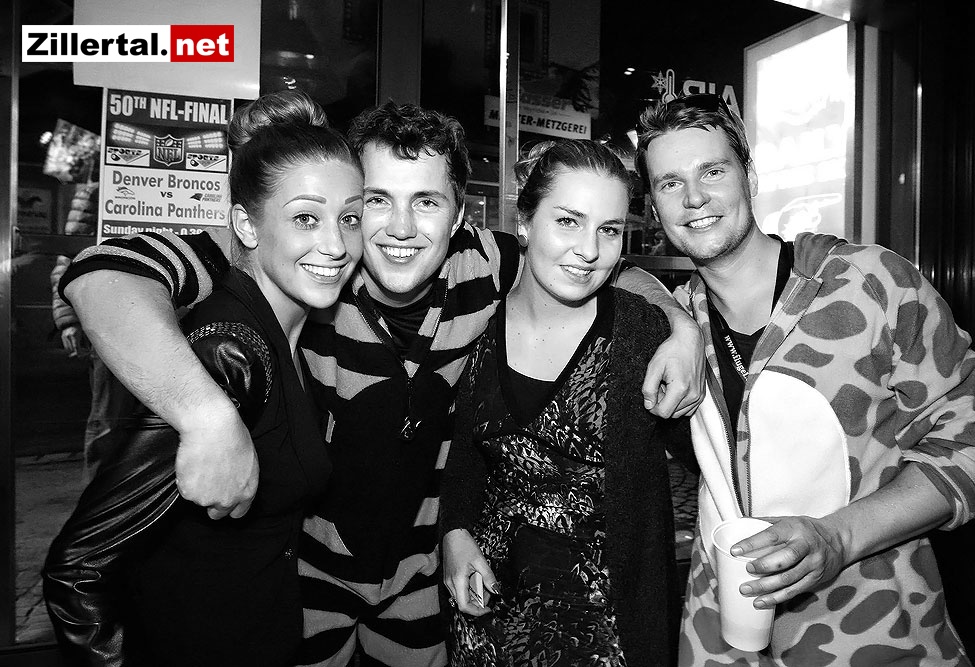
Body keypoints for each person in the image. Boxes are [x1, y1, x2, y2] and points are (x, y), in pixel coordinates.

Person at [56, 102, 706, 667]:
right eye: (375, 201)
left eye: (426, 202)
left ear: (458, 216)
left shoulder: (484, 264)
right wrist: (204, 412)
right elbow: (106, 271)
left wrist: (679, 326)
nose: (400, 228)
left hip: (419, 575)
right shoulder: (308, 265)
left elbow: (593, 261)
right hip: (305, 575)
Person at [635, 93, 975, 665]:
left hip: (875, 636)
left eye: (712, 171)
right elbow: (585, 270)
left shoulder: (870, 283)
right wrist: (677, 320)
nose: (694, 198)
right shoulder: (676, 323)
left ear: (750, 176)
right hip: (721, 641)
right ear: (654, 208)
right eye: (670, 183)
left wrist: (839, 536)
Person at [43, 89, 364, 666]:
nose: (336, 245)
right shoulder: (229, 353)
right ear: (244, 222)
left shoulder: (292, 335)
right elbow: (77, 570)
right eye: (305, 218)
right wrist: (208, 416)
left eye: (350, 218)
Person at [440, 139, 695, 667]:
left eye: (609, 230)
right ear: (525, 222)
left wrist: (686, 326)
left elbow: (720, 458)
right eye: (568, 222)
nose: (589, 250)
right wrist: (455, 533)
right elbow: (466, 456)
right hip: (490, 622)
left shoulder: (642, 335)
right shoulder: (476, 320)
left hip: (607, 636)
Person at [51, 255, 138, 480]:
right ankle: (97, 493)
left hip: (159, 319)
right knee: (109, 418)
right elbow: (66, 265)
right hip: (111, 325)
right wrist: (69, 320)